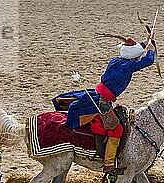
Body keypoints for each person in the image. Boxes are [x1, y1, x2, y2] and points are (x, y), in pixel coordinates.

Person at [59, 36, 156, 175]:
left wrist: (146, 41)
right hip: (102, 102)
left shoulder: (117, 61)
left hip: (99, 95)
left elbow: (134, 52)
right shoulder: (127, 67)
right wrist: (151, 49)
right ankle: (109, 163)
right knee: (116, 129)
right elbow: (148, 60)